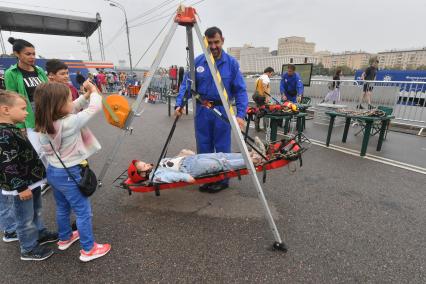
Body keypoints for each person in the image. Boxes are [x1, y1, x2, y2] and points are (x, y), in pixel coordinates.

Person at [34, 81, 111, 262]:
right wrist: (93, 92)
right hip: (71, 173)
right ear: (58, 105)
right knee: (83, 212)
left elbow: (73, 107)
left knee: (62, 207)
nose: (73, 101)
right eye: (70, 99)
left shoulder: (43, 123)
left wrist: (83, 96)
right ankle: (88, 249)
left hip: (53, 172)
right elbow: (95, 107)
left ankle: (65, 238)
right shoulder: (70, 122)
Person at [175, 26, 248, 193]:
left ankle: (222, 180)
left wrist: (241, 115)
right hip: (202, 110)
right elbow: (187, 85)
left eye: (216, 42)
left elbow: (240, 91)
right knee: (203, 146)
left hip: (223, 111)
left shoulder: (231, 64)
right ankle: (206, 177)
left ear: (222, 40)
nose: (214, 46)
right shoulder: (198, 62)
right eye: (210, 43)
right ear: (205, 43)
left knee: (222, 147)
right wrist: (180, 104)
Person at [0, 90, 58, 261]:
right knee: (24, 218)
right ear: (6, 110)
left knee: (36, 210)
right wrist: (20, 187)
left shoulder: (12, 128)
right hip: (22, 186)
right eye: (23, 109)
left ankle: (39, 232)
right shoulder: (3, 134)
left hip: (31, 182)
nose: (27, 112)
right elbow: (6, 164)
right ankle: (29, 248)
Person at [4, 37, 50, 194]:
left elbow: (49, 91)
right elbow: (12, 99)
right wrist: (20, 126)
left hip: (47, 114)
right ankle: (41, 180)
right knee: (37, 150)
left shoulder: (39, 71)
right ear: (17, 54)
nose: (32, 57)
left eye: (34, 53)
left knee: (51, 147)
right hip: (29, 117)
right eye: (28, 54)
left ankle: (51, 177)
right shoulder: (12, 73)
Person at [253, 67, 274, 131]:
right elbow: (265, 86)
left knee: (258, 110)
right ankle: (266, 128)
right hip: (261, 96)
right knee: (265, 111)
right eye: (271, 74)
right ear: (268, 72)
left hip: (256, 95)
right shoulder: (265, 77)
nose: (271, 75)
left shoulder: (259, 78)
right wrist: (267, 97)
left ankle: (257, 127)